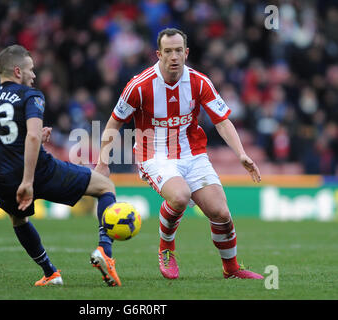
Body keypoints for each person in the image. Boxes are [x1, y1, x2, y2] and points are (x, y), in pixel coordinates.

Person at [95, 28, 264, 280]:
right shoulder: (139, 86)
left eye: (178, 50)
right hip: (153, 154)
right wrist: (102, 163)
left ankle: (231, 269)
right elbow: (114, 123)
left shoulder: (199, 82)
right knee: (181, 196)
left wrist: (241, 153)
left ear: (186, 53)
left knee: (221, 213)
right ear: (158, 54)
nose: (173, 56)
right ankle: (166, 247)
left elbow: (222, 121)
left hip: (192, 154)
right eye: (168, 51)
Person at [0, 45, 121, 287]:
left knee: (19, 221)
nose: (34, 75)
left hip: (2, 178)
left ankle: (51, 273)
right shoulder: (31, 95)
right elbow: (32, 137)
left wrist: (21, 156)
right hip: (38, 171)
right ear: (18, 71)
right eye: (31, 70)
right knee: (105, 186)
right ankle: (105, 251)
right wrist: (28, 181)